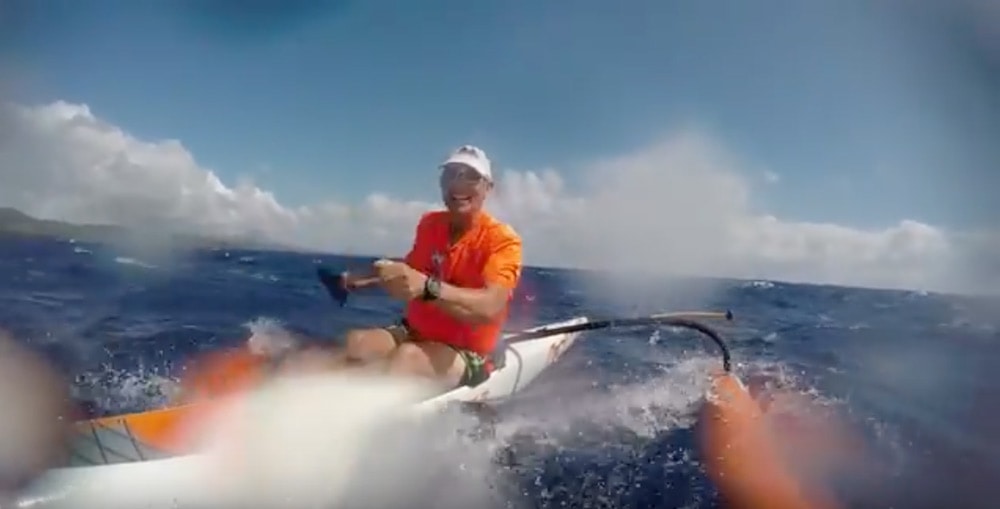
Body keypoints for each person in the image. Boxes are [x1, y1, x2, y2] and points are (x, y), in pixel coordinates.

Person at [284, 145, 523, 390]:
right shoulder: (430, 224)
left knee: (406, 359)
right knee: (356, 343)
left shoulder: (503, 240)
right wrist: (362, 279)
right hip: (417, 331)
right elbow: (412, 269)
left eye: (471, 176)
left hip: (470, 351)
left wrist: (428, 288)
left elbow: (491, 306)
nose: (458, 183)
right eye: (451, 174)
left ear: (488, 188)